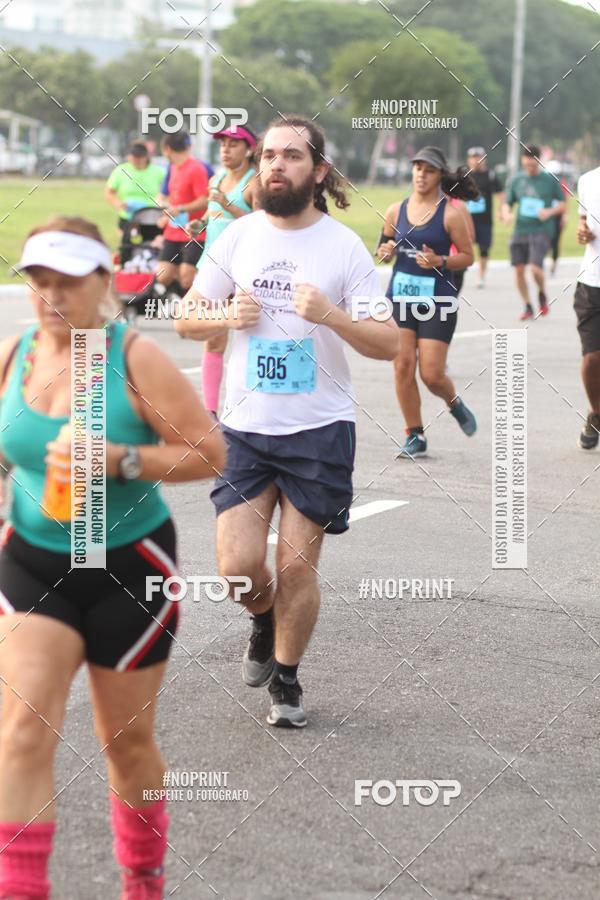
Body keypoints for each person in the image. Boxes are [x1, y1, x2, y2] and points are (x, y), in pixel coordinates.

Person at [0, 217, 225, 899]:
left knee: (124, 746)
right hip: (34, 562)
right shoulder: (15, 356)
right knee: (19, 733)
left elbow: (209, 453)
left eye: (67, 281)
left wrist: (120, 458)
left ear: (104, 280)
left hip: (128, 570)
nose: (50, 295)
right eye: (38, 280)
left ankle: (143, 883)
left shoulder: (130, 357)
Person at [175, 115, 399, 728]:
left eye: (292, 156)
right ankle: (261, 618)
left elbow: (388, 343)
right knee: (238, 569)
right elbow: (186, 319)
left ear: (318, 170)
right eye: (270, 154)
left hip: (317, 430)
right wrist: (224, 314)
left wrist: (332, 316)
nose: (276, 164)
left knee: (297, 565)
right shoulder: (237, 237)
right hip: (246, 429)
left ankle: (289, 679)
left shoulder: (343, 247)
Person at [378, 146, 477, 459]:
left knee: (431, 374)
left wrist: (441, 260)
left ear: (439, 176)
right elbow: (384, 244)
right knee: (403, 367)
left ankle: (454, 403)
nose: (421, 174)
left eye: (429, 170)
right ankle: (415, 434)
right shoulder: (396, 210)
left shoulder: (451, 213)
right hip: (401, 297)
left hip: (438, 302)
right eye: (417, 168)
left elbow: (468, 256)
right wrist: (386, 251)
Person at [198, 124, 259, 418]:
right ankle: (210, 410)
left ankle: (250, 405)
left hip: (244, 267)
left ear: (248, 150)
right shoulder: (217, 177)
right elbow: (211, 214)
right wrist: (198, 224)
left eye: (233, 144)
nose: (225, 149)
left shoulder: (253, 183)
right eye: (222, 144)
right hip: (213, 264)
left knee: (250, 334)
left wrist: (229, 206)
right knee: (214, 335)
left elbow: (261, 224)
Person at [501, 144, 566, 320]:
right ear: (523, 161)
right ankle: (528, 305)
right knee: (519, 270)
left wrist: (549, 212)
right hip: (520, 229)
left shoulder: (549, 180)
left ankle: (542, 292)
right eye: (527, 165)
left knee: (535, 269)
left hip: (542, 230)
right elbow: (508, 202)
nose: (530, 168)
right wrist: (506, 213)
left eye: (534, 165)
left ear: (539, 162)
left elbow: (562, 204)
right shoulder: (517, 180)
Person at [155, 131, 209, 296]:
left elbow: (205, 200)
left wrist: (182, 209)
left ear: (167, 149)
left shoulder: (196, 168)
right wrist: (165, 210)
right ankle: (179, 298)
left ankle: (192, 307)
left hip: (193, 231)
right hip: (173, 230)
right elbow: (167, 195)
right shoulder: (172, 168)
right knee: (162, 275)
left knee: (187, 277)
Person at [574, 163, 600, 449]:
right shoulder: (588, 180)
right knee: (593, 358)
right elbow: (584, 220)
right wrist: (582, 231)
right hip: (592, 283)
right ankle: (596, 412)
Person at [104, 141, 165, 257]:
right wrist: (118, 203)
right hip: (129, 218)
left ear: (146, 157)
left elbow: (167, 192)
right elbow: (109, 192)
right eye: (133, 157)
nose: (136, 160)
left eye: (139, 157)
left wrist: (161, 202)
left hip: (151, 219)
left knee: (150, 249)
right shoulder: (121, 170)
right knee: (128, 249)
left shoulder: (159, 172)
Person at [465, 146, 503, 287]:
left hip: (485, 220)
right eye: (473, 158)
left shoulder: (490, 176)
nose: (476, 161)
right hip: (466, 220)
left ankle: (481, 275)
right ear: (468, 160)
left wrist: (502, 210)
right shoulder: (465, 176)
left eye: (479, 158)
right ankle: (459, 270)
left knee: (484, 249)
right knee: (463, 246)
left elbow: (500, 194)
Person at [549, 178, 569, 275]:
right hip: (546, 215)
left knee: (556, 241)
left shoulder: (561, 182)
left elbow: (565, 200)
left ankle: (554, 263)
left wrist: (565, 215)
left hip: (557, 216)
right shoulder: (543, 180)